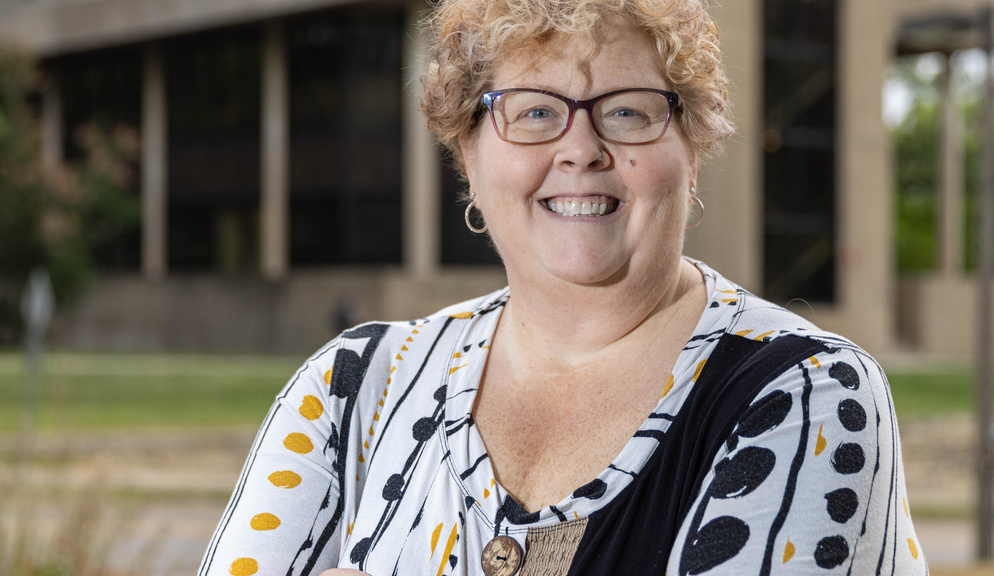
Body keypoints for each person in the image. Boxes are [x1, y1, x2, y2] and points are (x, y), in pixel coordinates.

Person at [198, 0, 927, 574]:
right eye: (535, 112)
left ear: (692, 152)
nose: (581, 150)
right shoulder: (352, 389)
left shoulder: (805, 393)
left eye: (628, 111)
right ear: (470, 160)